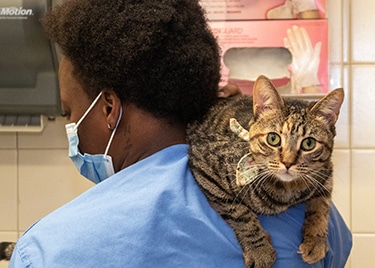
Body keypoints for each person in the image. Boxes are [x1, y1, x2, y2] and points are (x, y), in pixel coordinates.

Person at [9, 0, 352, 267]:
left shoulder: (46, 252)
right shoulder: (321, 219)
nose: (72, 129)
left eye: (70, 112)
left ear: (109, 109)